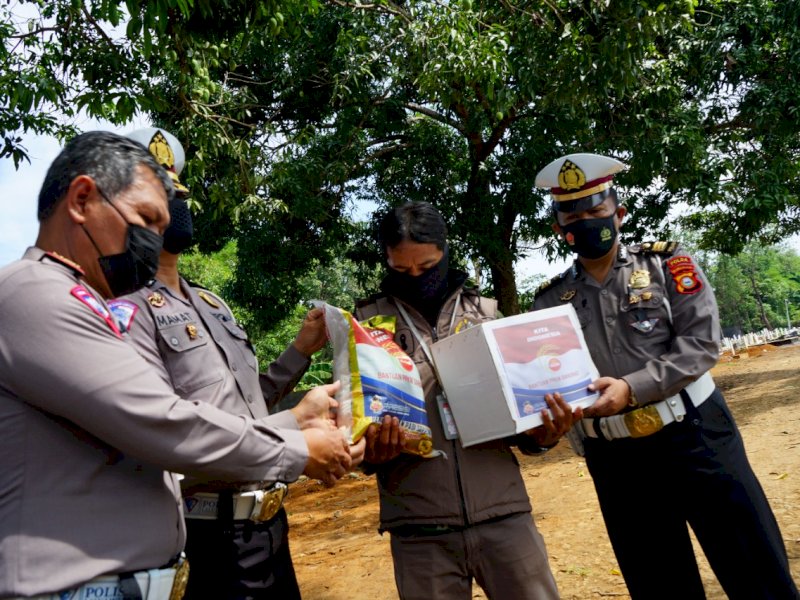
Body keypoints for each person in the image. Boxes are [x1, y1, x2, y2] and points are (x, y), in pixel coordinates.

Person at [0, 131, 353, 600]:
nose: (154, 238)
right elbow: (163, 423)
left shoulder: (104, 304)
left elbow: (236, 400)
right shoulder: (37, 295)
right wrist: (300, 445)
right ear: (82, 199)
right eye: (146, 218)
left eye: (165, 220)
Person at [532, 152, 800, 599]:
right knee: (659, 585)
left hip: (697, 435)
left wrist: (631, 388)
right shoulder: (549, 304)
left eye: (596, 211)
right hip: (617, 459)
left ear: (619, 213)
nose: (586, 223)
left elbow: (701, 344)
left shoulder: (666, 265)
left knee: (756, 572)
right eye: (573, 216)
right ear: (561, 230)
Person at [111, 127, 360, 599]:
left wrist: (301, 350)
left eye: (177, 195)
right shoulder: (125, 310)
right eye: (157, 198)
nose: (173, 210)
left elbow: (247, 405)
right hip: (204, 539)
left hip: (268, 529)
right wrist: (297, 427)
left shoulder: (210, 303)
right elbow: (170, 438)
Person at [354, 201, 581, 600]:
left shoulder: (489, 317)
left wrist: (543, 435)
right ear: (386, 260)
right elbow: (356, 432)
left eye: (426, 268)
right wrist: (373, 452)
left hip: (504, 516)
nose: (415, 279)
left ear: (445, 251)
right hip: (419, 530)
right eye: (401, 270)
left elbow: (524, 425)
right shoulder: (368, 329)